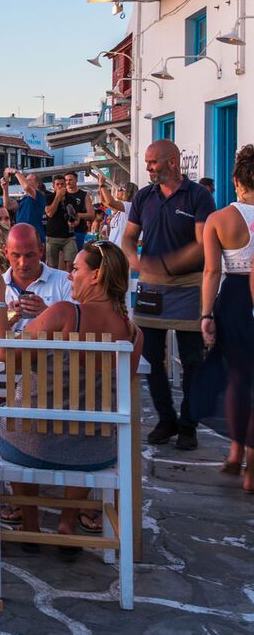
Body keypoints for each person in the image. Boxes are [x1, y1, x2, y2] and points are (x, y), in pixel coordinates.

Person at [0, 241, 142, 545]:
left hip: (32, 447)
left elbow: (3, 353)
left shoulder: (64, 313)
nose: (70, 276)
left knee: (15, 420)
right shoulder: (135, 334)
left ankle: (30, 524)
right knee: (81, 425)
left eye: (75, 269)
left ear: (95, 276)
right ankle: (67, 524)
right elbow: (121, 391)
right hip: (96, 453)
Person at [122, 139, 215, 450]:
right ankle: (166, 419)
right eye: (147, 163)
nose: (148, 168)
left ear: (172, 162)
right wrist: (133, 257)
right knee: (150, 357)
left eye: (152, 162)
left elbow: (203, 244)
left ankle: (188, 426)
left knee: (192, 360)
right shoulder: (143, 197)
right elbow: (129, 236)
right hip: (151, 287)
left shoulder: (199, 196)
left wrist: (165, 263)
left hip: (189, 285)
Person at [200, 145, 254, 492]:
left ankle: (235, 453)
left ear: (236, 180)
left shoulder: (220, 220)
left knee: (238, 379)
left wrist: (206, 314)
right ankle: (252, 466)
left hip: (233, 298)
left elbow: (210, 271)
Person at [0, 223, 74, 331]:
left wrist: (47, 313)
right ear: (6, 252)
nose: (23, 263)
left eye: (29, 255)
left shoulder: (64, 282)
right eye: (16, 255)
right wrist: (7, 319)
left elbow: (75, 331)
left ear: (41, 251)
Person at [95, 172, 138, 249]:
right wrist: (100, 185)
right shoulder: (120, 209)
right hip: (115, 250)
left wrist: (102, 185)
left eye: (121, 189)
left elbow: (110, 202)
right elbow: (104, 201)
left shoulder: (130, 205)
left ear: (128, 192)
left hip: (122, 250)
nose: (118, 190)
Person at [3, 168, 47, 241]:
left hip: (34, 236)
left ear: (37, 184)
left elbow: (26, 187)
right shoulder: (24, 198)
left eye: (29, 180)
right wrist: (5, 188)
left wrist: (16, 172)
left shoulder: (39, 195)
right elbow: (8, 206)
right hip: (21, 235)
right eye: (26, 179)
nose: (26, 181)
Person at [44, 176, 76, 271]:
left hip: (69, 236)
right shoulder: (49, 197)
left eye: (62, 184)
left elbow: (76, 215)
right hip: (52, 236)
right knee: (52, 266)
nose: (60, 186)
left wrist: (75, 222)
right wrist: (58, 197)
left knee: (71, 263)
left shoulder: (71, 199)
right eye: (57, 184)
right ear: (53, 186)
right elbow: (50, 213)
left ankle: (68, 283)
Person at [64, 173, 93, 251]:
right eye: (66, 180)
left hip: (79, 231)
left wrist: (78, 215)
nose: (68, 182)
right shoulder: (61, 195)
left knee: (78, 256)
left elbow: (91, 215)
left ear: (76, 180)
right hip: (63, 233)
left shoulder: (84, 195)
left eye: (70, 180)